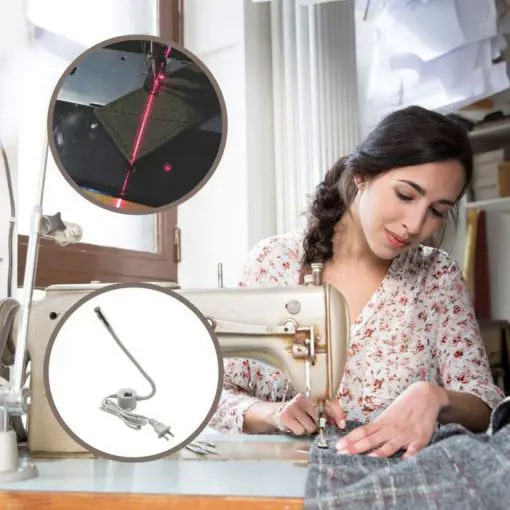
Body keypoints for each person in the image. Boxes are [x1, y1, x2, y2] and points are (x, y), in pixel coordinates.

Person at [208, 105, 505, 459]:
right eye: (406, 195)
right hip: (279, 478)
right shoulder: (272, 263)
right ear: (362, 176)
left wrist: (436, 397)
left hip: (395, 480)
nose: (415, 225)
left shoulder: (437, 277)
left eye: (436, 211)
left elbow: (486, 403)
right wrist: (273, 414)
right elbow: (215, 394)